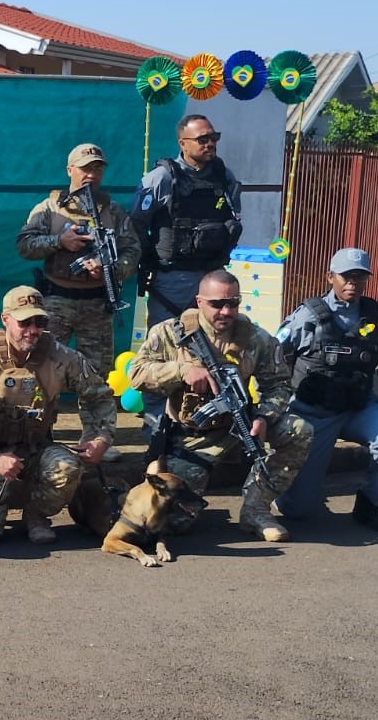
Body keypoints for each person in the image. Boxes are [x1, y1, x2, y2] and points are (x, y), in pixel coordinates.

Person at [128, 270, 312, 542]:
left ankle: (256, 510)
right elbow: (137, 374)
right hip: (191, 435)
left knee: (300, 429)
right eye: (217, 304)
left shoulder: (256, 338)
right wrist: (182, 371)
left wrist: (264, 417)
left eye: (233, 303)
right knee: (174, 524)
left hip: (240, 427)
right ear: (199, 301)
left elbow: (280, 384)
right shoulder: (169, 332)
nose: (226, 311)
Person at [0, 286, 117, 546]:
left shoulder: (62, 357)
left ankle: (35, 515)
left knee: (67, 468)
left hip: (38, 449)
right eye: (25, 322)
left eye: (40, 322)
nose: (33, 330)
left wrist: (99, 438)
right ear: (6, 319)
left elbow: (99, 397)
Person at [276, 248, 378, 532]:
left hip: (358, 408)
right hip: (314, 414)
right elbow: (274, 357)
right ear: (331, 277)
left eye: (360, 277)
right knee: (297, 512)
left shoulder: (376, 318)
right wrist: (275, 403)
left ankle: (369, 505)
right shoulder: (307, 316)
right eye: (347, 276)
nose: (353, 283)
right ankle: (286, 493)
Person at [130, 113, 243, 426]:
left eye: (213, 137)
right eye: (202, 139)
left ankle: (205, 416)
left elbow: (234, 218)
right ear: (183, 143)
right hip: (172, 279)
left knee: (214, 347)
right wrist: (149, 259)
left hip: (212, 276)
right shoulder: (163, 178)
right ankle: (156, 422)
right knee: (163, 347)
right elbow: (137, 224)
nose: (210, 144)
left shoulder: (224, 176)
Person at [16, 142, 141, 375]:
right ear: (70, 170)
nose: (91, 175)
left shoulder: (113, 211)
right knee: (43, 369)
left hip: (97, 305)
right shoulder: (49, 208)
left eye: (97, 169)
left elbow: (132, 251)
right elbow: (25, 245)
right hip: (56, 300)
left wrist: (111, 269)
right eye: (85, 169)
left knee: (96, 377)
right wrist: (59, 241)